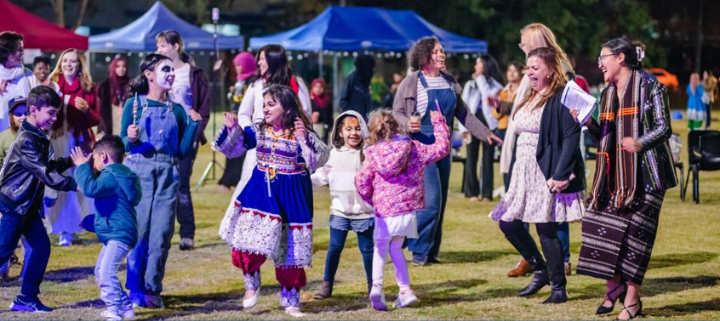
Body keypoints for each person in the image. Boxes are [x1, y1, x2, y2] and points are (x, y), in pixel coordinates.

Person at [576, 38, 677, 320]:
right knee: (599, 226)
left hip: (648, 177)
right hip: (613, 180)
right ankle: (614, 287)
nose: (599, 63)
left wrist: (641, 142)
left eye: (603, 57)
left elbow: (664, 127)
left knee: (636, 239)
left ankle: (631, 302)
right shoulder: (607, 94)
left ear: (620, 58)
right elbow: (604, 139)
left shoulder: (651, 87)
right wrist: (588, 122)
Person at [213, 84, 328, 317]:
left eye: (271, 104)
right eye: (263, 104)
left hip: (293, 195)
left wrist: (305, 138)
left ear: (286, 108)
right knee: (249, 240)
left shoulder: (300, 132)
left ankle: (290, 299)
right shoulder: (260, 131)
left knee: (290, 250)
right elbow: (234, 150)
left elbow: (318, 161)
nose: (264, 108)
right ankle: (251, 281)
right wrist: (232, 128)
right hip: (261, 191)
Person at [393, 36, 502, 266]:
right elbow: (397, 112)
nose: (442, 55)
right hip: (421, 147)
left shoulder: (449, 81)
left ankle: (431, 252)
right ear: (425, 56)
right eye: (437, 52)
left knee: (440, 204)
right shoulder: (411, 82)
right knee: (431, 202)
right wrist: (406, 124)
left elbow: (464, 114)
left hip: (444, 148)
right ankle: (418, 251)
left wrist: (485, 133)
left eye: (442, 51)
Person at [489, 47, 585, 304]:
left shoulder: (562, 96)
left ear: (551, 71)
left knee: (546, 228)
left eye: (535, 67)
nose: (529, 72)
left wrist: (561, 173)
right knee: (507, 222)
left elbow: (572, 136)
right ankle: (539, 266)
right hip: (522, 170)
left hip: (546, 170)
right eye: (527, 67)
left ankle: (558, 288)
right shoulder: (529, 95)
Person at [120, 53, 202, 309]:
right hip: (139, 174)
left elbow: (182, 151)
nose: (171, 73)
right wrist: (129, 139)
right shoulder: (133, 106)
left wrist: (192, 126)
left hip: (168, 174)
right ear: (149, 75)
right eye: (165, 69)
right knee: (140, 232)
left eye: (172, 70)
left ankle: (153, 288)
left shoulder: (176, 109)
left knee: (162, 234)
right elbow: (122, 144)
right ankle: (134, 288)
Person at [355, 108, 450, 310]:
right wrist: (439, 123)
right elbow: (441, 148)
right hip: (406, 211)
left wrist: (369, 198)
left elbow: (362, 181)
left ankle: (377, 286)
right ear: (397, 126)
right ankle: (405, 290)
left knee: (380, 249)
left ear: (373, 131)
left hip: (383, 210)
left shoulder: (372, 154)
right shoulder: (413, 147)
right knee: (396, 248)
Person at [501, 23, 575, 279]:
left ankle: (558, 268)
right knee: (512, 219)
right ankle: (537, 263)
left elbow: (572, 125)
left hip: (546, 162)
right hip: (523, 159)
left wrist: (563, 169)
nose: (521, 45)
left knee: (548, 222)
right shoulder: (532, 79)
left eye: (523, 41)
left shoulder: (559, 78)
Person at [0, 85, 77, 312]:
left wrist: (72, 161)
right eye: (50, 113)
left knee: (41, 248)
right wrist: (78, 184)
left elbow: (49, 166)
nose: (54, 118)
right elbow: (46, 174)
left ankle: (26, 298)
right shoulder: (27, 139)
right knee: (3, 252)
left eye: (56, 113)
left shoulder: (38, 136)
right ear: (33, 110)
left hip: (27, 206)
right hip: (15, 204)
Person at [225, 44, 312, 234]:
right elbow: (244, 113)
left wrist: (293, 133)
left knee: (283, 191)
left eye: (262, 59)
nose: (258, 62)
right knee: (250, 183)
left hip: (287, 149)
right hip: (259, 146)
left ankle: (281, 231)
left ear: (273, 60)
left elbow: (305, 113)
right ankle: (243, 230)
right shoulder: (256, 84)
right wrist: (253, 132)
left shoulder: (295, 83)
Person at [70, 135, 141, 321]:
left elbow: (91, 189)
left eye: (93, 158)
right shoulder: (120, 176)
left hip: (119, 235)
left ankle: (115, 312)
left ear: (103, 156)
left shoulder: (112, 175)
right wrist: (93, 222)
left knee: (106, 273)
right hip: (117, 232)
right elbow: (112, 204)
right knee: (101, 270)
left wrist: (80, 166)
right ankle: (125, 307)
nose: (92, 163)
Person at [156, 30, 211, 251]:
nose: (159, 50)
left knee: (181, 184)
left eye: (162, 45)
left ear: (176, 46)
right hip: (163, 135)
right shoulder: (157, 71)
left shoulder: (193, 73)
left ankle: (187, 233)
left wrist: (196, 134)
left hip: (186, 135)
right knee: (162, 183)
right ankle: (162, 231)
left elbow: (204, 107)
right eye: (158, 46)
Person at [312, 111, 374, 300]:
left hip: (364, 213)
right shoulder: (334, 155)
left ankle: (374, 286)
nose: (353, 133)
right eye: (348, 129)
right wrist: (302, 184)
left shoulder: (368, 155)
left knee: (367, 251)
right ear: (340, 132)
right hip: (339, 211)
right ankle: (327, 284)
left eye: (357, 128)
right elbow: (321, 175)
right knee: (335, 248)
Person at [44, 48, 99, 246]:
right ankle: (62, 229)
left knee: (80, 184)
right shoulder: (51, 85)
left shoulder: (88, 88)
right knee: (59, 184)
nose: (68, 64)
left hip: (79, 141)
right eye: (65, 60)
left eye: (73, 61)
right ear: (60, 63)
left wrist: (86, 111)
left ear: (79, 65)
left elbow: (95, 119)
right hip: (57, 141)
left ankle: (78, 226)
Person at [461, 55, 505, 202]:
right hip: (472, 123)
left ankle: (487, 193)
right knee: (471, 157)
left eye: (478, 63)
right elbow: (464, 106)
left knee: (487, 159)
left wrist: (480, 79)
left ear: (485, 65)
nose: (475, 67)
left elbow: (488, 96)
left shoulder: (496, 85)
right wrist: (463, 129)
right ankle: (471, 191)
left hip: (489, 125)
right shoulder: (469, 84)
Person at [217, 52, 256, 194]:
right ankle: (228, 181)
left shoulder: (253, 81)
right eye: (236, 65)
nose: (238, 68)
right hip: (235, 123)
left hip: (246, 123)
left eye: (240, 65)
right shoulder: (239, 80)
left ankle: (236, 181)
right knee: (232, 151)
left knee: (243, 154)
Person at [0, 96, 30, 280]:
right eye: (18, 114)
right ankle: (3, 269)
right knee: (6, 235)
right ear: (11, 116)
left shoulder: (37, 135)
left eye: (26, 112)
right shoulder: (4, 137)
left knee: (29, 237)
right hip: (8, 195)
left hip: (30, 195)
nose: (22, 117)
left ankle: (27, 271)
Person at [0, 32, 38, 133]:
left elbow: (38, 104)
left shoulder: (28, 75)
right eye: (20, 49)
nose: (23, 52)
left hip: (23, 136)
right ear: (8, 53)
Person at [496, 62, 524, 192]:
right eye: (509, 70)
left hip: (518, 130)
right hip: (503, 129)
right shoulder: (503, 91)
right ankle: (507, 191)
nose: (511, 73)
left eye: (515, 70)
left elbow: (518, 109)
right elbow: (495, 113)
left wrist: (503, 107)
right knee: (506, 160)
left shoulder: (524, 91)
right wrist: (504, 108)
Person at [97, 57, 131, 137]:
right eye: (118, 66)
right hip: (110, 119)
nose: (121, 69)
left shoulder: (131, 84)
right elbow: (101, 109)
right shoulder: (105, 85)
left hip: (125, 115)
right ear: (113, 68)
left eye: (124, 66)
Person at [340, 55, 376, 120]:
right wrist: (350, 116)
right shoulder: (352, 79)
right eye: (372, 67)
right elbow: (343, 100)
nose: (373, 70)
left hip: (365, 120)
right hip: (353, 120)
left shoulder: (366, 81)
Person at [310, 78, 333, 142]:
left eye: (320, 87)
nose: (318, 89)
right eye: (316, 86)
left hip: (324, 130)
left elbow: (329, 116)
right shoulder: (309, 100)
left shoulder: (327, 100)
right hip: (312, 130)